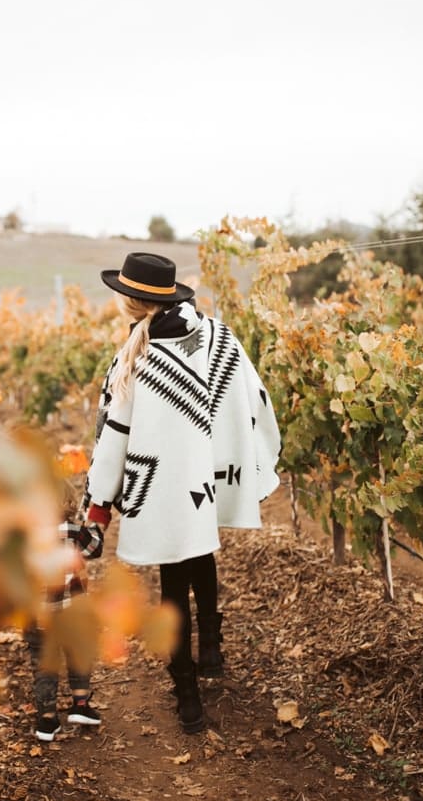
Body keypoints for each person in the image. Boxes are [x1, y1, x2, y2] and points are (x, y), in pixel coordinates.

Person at [82, 251, 280, 734]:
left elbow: (114, 434)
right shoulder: (217, 336)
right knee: (201, 553)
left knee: (173, 581)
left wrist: (98, 502)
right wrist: (247, 460)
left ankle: (187, 694)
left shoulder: (135, 356)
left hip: (159, 488)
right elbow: (251, 396)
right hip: (202, 479)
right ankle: (210, 648)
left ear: (130, 301)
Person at [25, 501, 105, 742]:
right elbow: (95, 548)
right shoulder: (73, 530)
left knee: (44, 664)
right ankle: (80, 705)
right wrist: (94, 525)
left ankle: (47, 719)